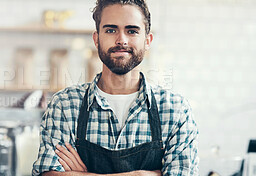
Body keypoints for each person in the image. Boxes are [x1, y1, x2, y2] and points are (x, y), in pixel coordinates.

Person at [32, 0, 199, 175]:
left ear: (147, 40)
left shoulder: (175, 110)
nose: (122, 40)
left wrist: (84, 174)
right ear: (96, 39)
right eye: (111, 30)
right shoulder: (65, 104)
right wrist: (141, 174)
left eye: (132, 31)